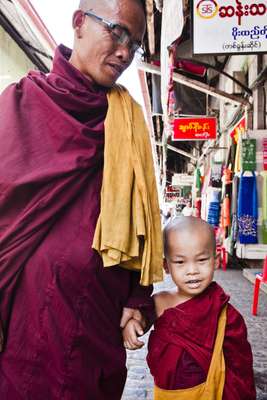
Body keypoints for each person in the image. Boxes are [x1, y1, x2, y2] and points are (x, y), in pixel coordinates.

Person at [0, 1, 163, 399]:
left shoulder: (127, 122)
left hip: (98, 330)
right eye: (118, 32)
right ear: (78, 24)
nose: (125, 52)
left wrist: (137, 298)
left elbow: (142, 218)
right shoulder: (21, 104)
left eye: (136, 44)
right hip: (28, 331)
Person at [123, 217, 256, 399]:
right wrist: (133, 325)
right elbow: (141, 321)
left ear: (215, 261)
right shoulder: (160, 301)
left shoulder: (226, 314)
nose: (192, 270)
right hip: (169, 393)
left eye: (201, 260)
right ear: (166, 266)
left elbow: (239, 366)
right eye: (180, 262)